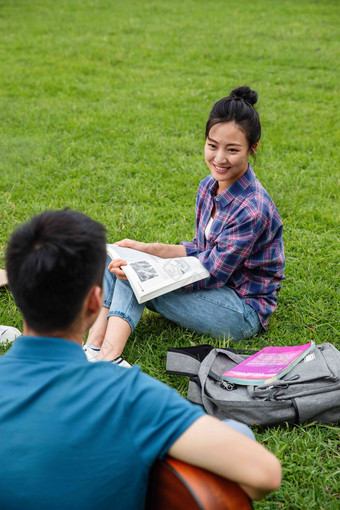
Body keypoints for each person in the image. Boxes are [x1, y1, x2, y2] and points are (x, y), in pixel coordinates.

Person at [0, 209, 281, 509]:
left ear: (16, 294)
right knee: (238, 432)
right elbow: (265, 474)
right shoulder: (131, 394)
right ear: (96, 303)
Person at [85, 86, 285, 365]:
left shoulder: (252, 208)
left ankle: (109, 358)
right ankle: (92, 347)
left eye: (232, 150)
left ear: (253, 148)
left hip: (242, 310)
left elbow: (211, 273)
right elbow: (202, 250)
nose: (219, 158)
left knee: (133, 276)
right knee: (116, 259)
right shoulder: (208, 187)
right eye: (212, 145)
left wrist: (148, 274)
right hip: (215, 282)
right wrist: (146, 250)